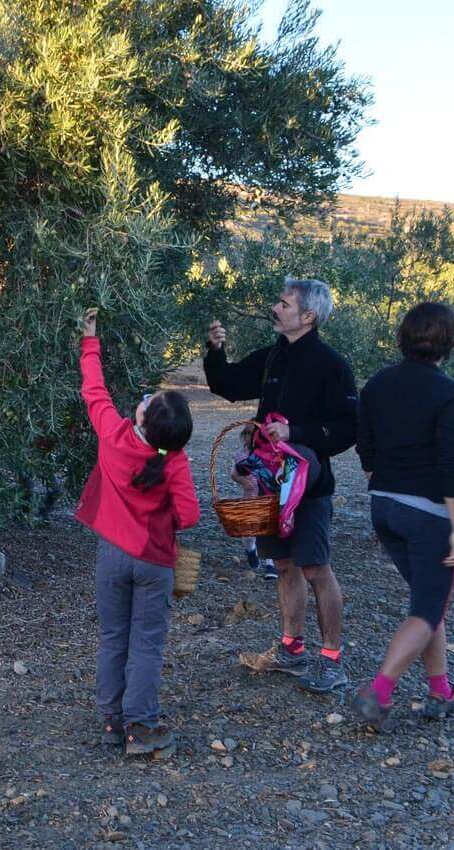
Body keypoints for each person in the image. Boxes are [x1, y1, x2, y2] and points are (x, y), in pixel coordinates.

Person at [205, 278, 358, 694]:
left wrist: (297, 433)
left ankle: (332, 662)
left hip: (309, 489)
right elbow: (228, 385)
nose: (275, 307)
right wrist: (215, 351)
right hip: (271, 485)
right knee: (285, 565)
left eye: (284, 304)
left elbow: (349, 428)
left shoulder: (331, 365)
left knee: (316, 569)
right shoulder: (274, 357)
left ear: (307, 316)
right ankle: (292, 651)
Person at [76, 308, 200, 755]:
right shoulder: (174, 461)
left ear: (144, 421)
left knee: (113, 637)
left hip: (111, 555)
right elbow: (189, 515)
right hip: (154, 561)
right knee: (146, 643)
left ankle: (111, 721)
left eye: (148, 402)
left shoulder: (113, 435)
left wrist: (90, 340)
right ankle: (140, 724)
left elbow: (94, 389)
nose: (144, 400)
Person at [349, 302, 454, 729]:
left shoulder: (378, 384)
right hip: (427, 515)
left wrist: (382, 477)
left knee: (428, 601)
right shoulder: (450, 393)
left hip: (383, 506)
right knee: (426, 610)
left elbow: (364, 442)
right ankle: (378, 693)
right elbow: (451, 464)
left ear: (403, 337)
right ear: (448, 342)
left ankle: (441, 690)